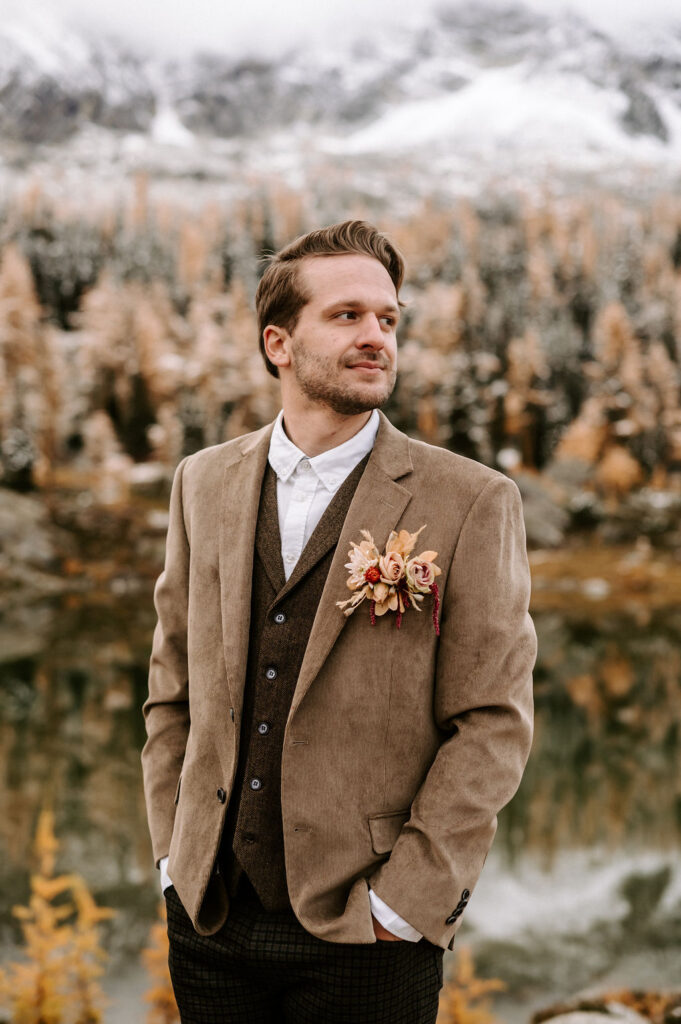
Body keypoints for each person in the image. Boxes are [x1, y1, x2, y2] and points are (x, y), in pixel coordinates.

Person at [141, 219, 537, 1024]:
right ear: (278, 343)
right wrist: (171, 855)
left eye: (388, 319)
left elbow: (491, 722)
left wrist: (406, 904)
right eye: (347, 315)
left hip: (368, 936)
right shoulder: (202, 481)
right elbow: (170, 686)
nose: (376, 337)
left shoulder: (469, 501)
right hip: (210, 921)